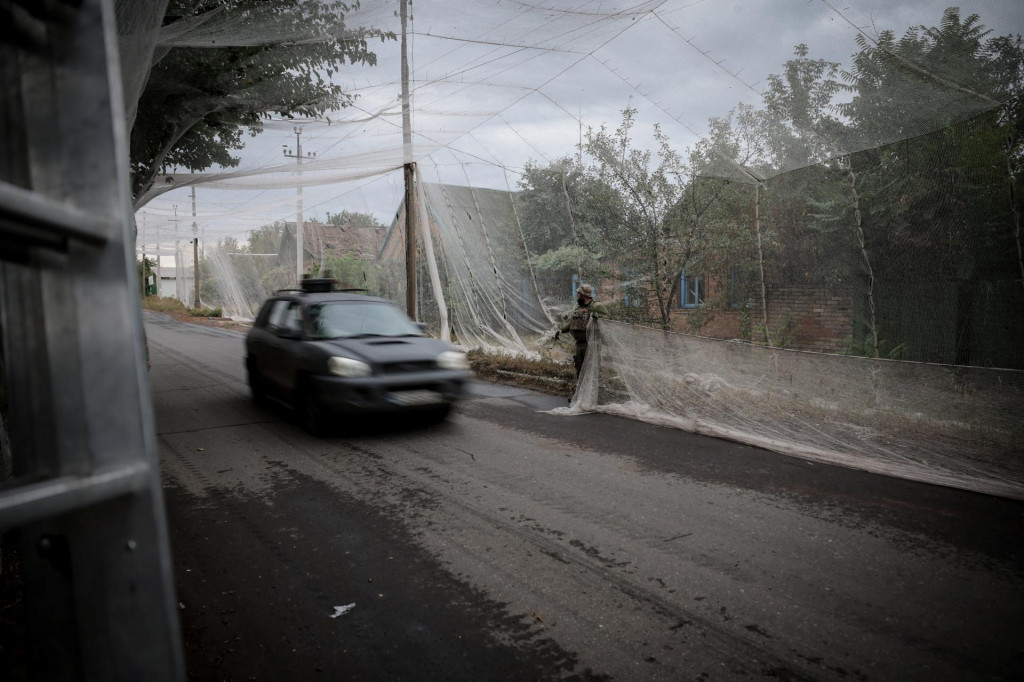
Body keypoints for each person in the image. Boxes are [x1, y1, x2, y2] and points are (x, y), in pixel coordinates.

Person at [555, 283, 609, 382]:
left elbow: (608, 321)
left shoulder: (597, 306)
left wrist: (598, 317)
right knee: (579, 368)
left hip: (592, 344)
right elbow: (572, 322)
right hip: (579, 344)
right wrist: (560, 330)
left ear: (584, 295)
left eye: (579, 294)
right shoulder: (578, 308)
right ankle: (580, 395)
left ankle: (598, 392)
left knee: (593, 369)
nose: (577, 295)